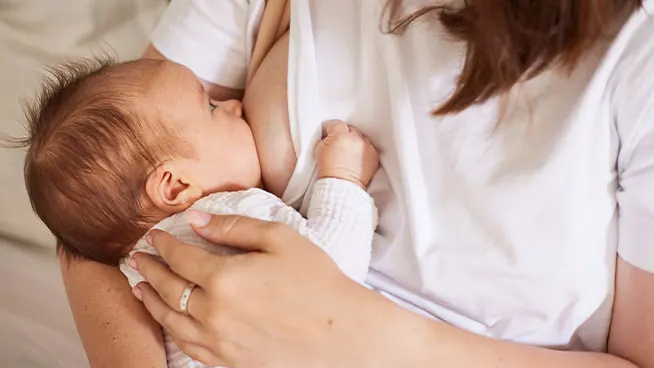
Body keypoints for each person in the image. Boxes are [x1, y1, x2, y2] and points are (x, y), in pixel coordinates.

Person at [61, 0, 654, 367]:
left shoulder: (637, 51)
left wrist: (351, 337)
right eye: (218, 109)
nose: (233, 109)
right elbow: (99, 214)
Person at [14, 57, 379, 366]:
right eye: (211, 107)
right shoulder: (230, 216)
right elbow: (334, 280)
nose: (235, 105)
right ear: (175, 187)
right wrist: (343, 178)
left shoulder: (136, 271)